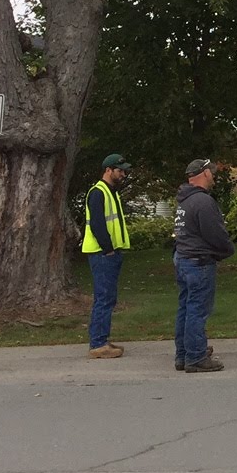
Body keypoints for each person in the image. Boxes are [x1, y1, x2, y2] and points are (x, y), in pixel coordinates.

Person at [172, 158, 234, 373]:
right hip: (199, 261)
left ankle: (183, 354)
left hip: (183, 257)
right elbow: (215, 233)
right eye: (211, 172)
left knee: (185, 308)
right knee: (197, 310)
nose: (214, 175)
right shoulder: (203, 202)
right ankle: (196, 357)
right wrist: (227, 250)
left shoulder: (184, 201)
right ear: (204, 173)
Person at [82, 152, 131, 359]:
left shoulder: (111, 192)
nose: (123, 174)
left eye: (124, 171)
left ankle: (101, 338)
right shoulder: (98, 192)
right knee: (103, 298)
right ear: (108, 170)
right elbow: (97, 224)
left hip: (109, 253)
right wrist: (108, 248)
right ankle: (98, 343)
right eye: (120, 171)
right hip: (102, 254)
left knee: (108, 297)